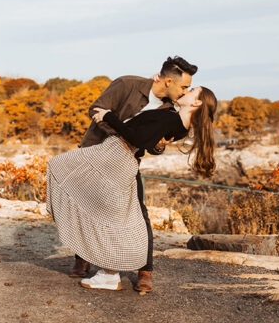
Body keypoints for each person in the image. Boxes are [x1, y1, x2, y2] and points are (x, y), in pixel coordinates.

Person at [47, 85, 218, 292]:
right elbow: (148, 138)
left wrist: (109, 116)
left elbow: (136, 137)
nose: (185, 91)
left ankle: (109, 274)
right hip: (115, 155)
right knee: (106, 211)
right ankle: (103, 265)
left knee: (62, 171)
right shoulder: (176, 120)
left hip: (117, 156)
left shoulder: (172, 120)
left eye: (191, 90)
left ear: (196, 103)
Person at [73, 56, 198, 292]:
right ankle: (82, 257)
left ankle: (145, 270)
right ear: (168, 81)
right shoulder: (127, 84)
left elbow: (152, 145)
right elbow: (97, 109)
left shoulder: (170, 110)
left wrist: (158, 145)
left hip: (127, 163)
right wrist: (121, 138)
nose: (186, 91)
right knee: (87, 207)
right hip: (95, 153)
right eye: (184, 86)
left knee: (139, 212)